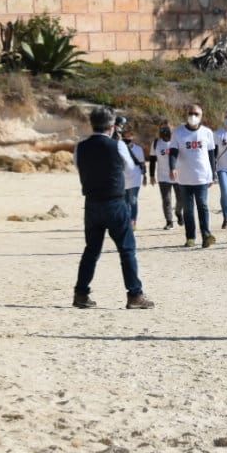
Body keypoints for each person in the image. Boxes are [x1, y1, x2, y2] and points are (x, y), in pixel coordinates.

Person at [73, 106, 154, 310]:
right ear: (111, 126)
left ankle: (81, 293)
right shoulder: (117, 146)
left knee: (91, 250)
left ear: (92, 125)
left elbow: (79, 167)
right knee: (127, 250)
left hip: (91, 203)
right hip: (115, 202)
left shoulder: (80, 147)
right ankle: (134, 294)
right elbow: (129, 168)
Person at [167, 103, 217, 248]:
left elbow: (211, 154)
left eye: (196, 114)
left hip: (201, 176)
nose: (193, 116)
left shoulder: (207, 133)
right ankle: (190, 237)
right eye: (191, 113)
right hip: (184, 177)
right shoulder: (178, 132)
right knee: (188, 209)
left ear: (201, 117)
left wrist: (213, 174)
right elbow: (173, 152)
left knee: (202, 205)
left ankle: (206, 235)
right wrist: (172, 167)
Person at [149, 122, 178, 231]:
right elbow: (152, 160)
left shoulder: (177, 141)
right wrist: (151, 175)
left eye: (168, 128)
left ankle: (179, 213)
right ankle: (169, 221)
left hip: (177, 176)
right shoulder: (156, 143)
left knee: (181, 200)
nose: (166, 130)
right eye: (163, 128)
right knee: (166, 200)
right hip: (163, 176)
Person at [119, 122, 145, 228]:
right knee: (125, 202)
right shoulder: (119, 148)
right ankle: (127, 221)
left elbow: (142, 163)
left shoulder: (138, 149)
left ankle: (133, 221)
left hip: (135, 178)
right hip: (123, 178)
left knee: (133, 200)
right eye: (126, 134)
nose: (128, 136)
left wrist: (146, 176)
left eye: (130, 134)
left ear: (133, 136)